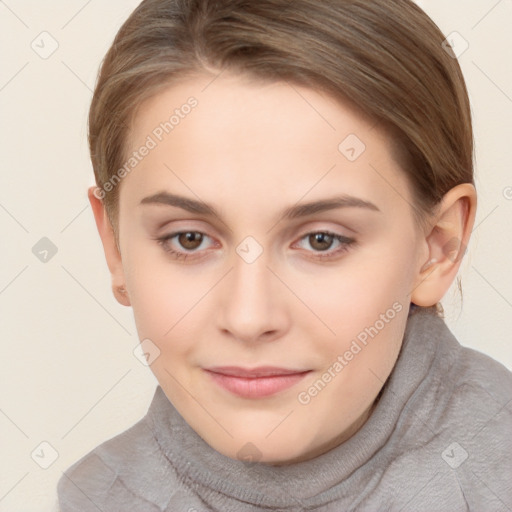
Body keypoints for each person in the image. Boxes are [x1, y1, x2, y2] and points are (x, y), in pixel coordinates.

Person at [57, 0, 512, 510]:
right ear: (115, 246)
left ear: (437, 246)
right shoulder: (94, 497)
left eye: (322, 240)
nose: (249, 318)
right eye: (189, 239)